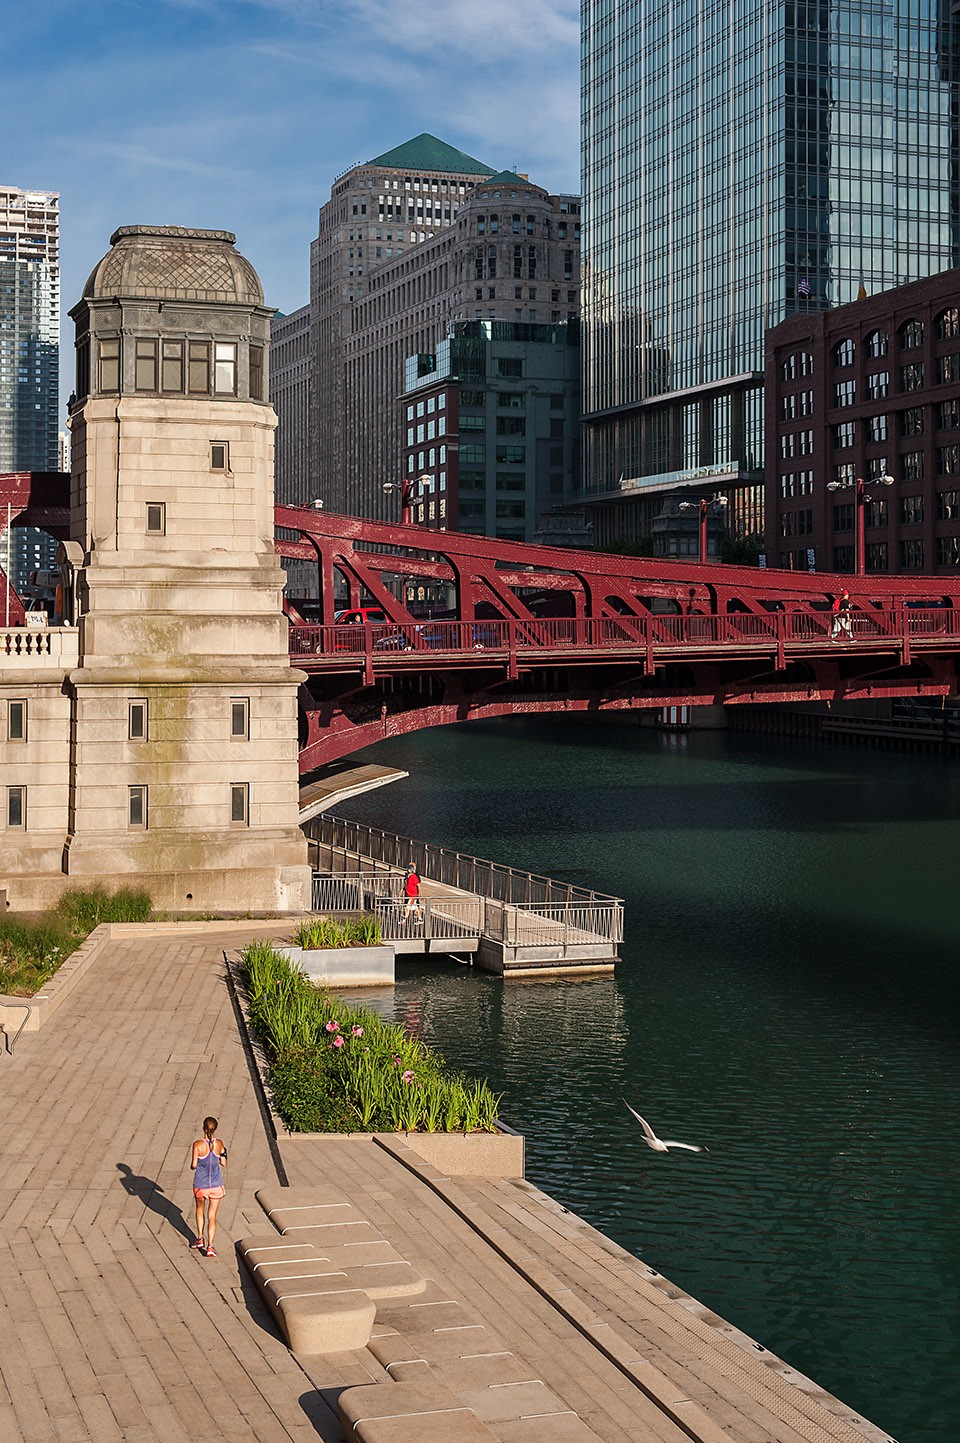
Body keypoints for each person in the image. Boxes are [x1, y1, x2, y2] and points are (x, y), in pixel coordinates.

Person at [190, 1116, 227, 1257]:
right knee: (212, 1216)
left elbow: (194, 1165)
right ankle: (210, 1247)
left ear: (203, 1128)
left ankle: (200, 1238)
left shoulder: (197, 1144)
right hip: (216, 1185)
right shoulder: (220, 1144)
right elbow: (223, 1162)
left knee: (200, 1210)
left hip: (201, 1185)